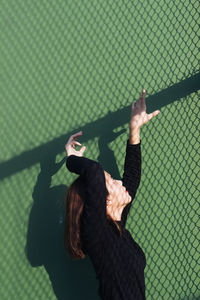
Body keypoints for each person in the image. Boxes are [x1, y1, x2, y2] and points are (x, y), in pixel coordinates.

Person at [64, 89, 160, 300]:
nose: (118, 181)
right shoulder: (98, 236)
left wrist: (134, 131)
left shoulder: (117, 229)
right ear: (103, 199)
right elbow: (95, 172)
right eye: (110, 181)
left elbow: (131, 179)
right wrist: (70, 159)